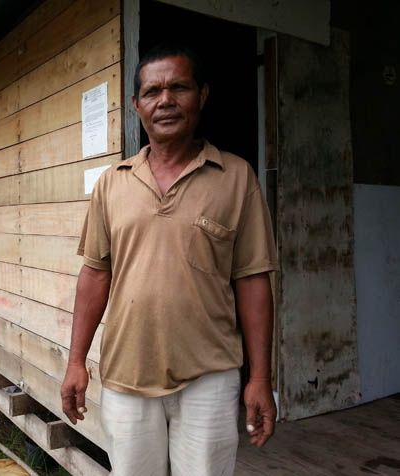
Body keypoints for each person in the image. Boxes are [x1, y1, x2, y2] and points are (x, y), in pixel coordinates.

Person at [60, 43, 278, 475]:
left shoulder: (236, 177)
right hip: (127, 376)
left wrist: (260, 378)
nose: (166, 100)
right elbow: (95, 274)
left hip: (211, 376)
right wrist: (75, 361)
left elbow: (253, 280)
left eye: (179, 87)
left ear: (202, 95)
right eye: (153, 90)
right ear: (136, 104)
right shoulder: (112, 183)